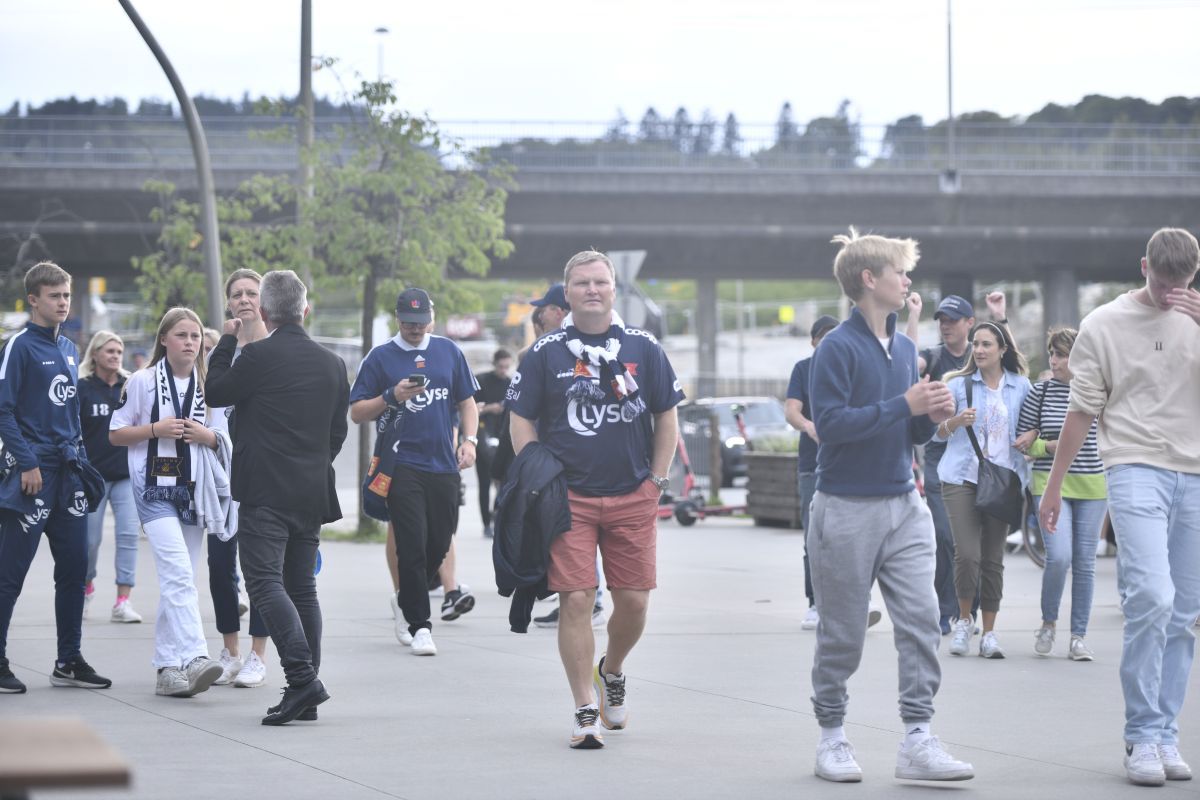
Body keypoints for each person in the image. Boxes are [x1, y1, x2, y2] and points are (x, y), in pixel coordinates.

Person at [807, 229, 972, 783]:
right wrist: (903, 402)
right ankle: (831, 735)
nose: (908, 281)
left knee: (924, 622)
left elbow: (913, 433)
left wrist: (931, 412)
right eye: (900, 272)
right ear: (868, 280)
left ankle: (918, 738)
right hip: (846, 508)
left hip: (905, 502)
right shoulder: (835, 348)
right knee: (844, 633)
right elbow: (829, 427)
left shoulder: (906, 350)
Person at [1040, 228, 1200, 787]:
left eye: (1181, 286)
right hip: (1133, 467)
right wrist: (1054, 485)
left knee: (1186, 612)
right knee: (1153, 596)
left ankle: (1164, 732)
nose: (1169, 296)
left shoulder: (1196, 318)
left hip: (1195, 472)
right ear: (1143, 267)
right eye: (1161, 284)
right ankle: (1140, 734)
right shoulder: (1103, 325)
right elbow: (1081, 412)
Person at [509, 250, 683, 750]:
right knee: (577, 599)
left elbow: (667, 414)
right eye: (582, 283)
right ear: (567, 294)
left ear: (614, 289)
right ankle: (585, 706)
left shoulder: (644, 348)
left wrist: (656, 481)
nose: (592, 289)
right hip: (570, 500)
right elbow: (521, 417)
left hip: (634, 494)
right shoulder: (546, 352)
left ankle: (613, 670)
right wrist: (537, 472)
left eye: (600, 282)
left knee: (633, 602)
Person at [206, 270, 349, 725]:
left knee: (265, 583)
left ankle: (303, 680)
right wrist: (311, 463)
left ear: (265, 313)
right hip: (310, 490)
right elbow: (337, 432)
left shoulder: (257, 356)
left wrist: (227, 341)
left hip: (265, 491)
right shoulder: (333, 363)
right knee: (302, 589)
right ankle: (305, 688)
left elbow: (216, 391)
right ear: (305, 310)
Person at [0, 261, 112, 694]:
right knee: (11, 571)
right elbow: (4, 410)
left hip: (69, 474)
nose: (63, 302)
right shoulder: (19, 347)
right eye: (55, 296)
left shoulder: (68, 348)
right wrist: (26, 462)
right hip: (33, 474)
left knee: (74, 569)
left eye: (67, 295)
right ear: (33, 299)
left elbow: (70, 413)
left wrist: (81, 463)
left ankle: (68, 660)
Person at [350, 288, 479, 658]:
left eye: (421, 322)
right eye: (408, 322)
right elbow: (357, 412)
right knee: (411, 545)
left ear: (432, 318)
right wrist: (391, 396)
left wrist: (468, 441)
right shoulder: (380, 357)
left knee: (438, 544)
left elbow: (467, 402)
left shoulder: (449, 351)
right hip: (400, 464)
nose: (414, 328)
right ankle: (420, 625)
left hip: (444, 464)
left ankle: (405, 598)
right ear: (397, 318)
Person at [109, 307, 225, 697]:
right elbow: (116, 433)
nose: (190, 343)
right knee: (177, 572)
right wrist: (155, 429)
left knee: (182, 579)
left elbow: (225, 438)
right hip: (153, 488)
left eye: (195, 336)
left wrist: (206, 436)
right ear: (164, 340)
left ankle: (166, 668)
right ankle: (194, 656)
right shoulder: (142, 381)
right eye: (181, 335)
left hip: (195, 491)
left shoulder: (211, 385)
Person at [935, 322, 1032, 660]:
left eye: (987, 344)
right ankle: (964, 621)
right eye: (975, 344)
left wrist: (1031, 437)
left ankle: (989, 633)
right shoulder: (959, 385)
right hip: (961, 477)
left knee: (993, 559)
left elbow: (1034, 424)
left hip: (1003, 481)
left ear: (1002, 350)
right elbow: (938, 433)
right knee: (968, 554)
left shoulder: (1021, 386)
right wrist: (956, 421)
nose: (978, 350)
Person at [1017, 328, 1105, 661]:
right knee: (1059, 557)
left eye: (1061, 354)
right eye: (1052, 354)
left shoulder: (1099, 390)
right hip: (1048, 483)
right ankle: (1049, 623)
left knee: (1085, 563)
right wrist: (1049, 445)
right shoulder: (1039, 392)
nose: (1054, 361)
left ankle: (1078, 636)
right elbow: (1024, 445)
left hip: (1094, 485)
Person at [206, 269, 272, 688]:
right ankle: (229, 649)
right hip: (221, 479)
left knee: (262, 571)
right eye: (237, 294)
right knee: (219, 567)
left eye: (252, 293)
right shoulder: (222, 349)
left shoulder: (273, 349)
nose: (245, 299)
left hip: (263, 476)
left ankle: (257, 655)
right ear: (228, 302)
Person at [78, 330, 142, 624]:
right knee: (90, 540)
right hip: (92, 477)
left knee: (128, 535)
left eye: (119, 351)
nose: (116, 356)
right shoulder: (82, 388)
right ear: (95, 354)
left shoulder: (130, 387)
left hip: (126, 475)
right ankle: (86, 587)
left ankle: (123, 600)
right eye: (109, 351)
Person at [785, 314, 839, 630]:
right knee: (814, 537)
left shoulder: (851, 367)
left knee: (847, 539)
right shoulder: (803, 370)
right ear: (814, 341)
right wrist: (808, 426)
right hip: (812, 466)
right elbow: (791, 409)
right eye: (824, 337)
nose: (830, 343)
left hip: (847, 465)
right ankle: (815, 603)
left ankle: (849, 603)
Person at [474, 348, 514, 538]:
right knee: (484, 483)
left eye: (507, 367)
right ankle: (485, 523)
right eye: (501, 366)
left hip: (503, 438)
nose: (503, 370)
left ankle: (497, 515)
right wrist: (491, 408)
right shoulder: (482, 381)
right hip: (482, 436)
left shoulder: (511, 383)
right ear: (494, 364)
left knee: (503, 482)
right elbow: (470, 409)